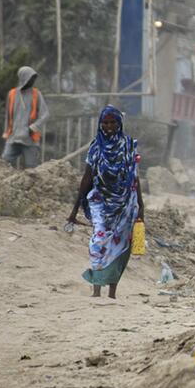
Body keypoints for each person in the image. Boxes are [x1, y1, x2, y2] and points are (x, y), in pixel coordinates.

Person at [68, 106, 142, 300]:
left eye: (113, 122)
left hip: (125, 203)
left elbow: (135, 177)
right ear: (101, 124)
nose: (109, 126)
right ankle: (96, 290)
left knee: (120, 245)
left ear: (119, 124)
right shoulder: (96, 147)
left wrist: (141, 207)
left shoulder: (128, 145)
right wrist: (74, 209)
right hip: (100, 201)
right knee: (99, 242)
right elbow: (87, 178)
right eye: (105, 123)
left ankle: (112, 292)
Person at [3, 66, 44, 169]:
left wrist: (34, 127)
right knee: (4, 161)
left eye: (34, 78)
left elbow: (45, 114)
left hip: (30, 138)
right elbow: (8, 115)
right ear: (24, 78)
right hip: (14, 137)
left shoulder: (36, 94)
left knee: (31, 167)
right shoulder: (12, 94)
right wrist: (6, 131)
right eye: (31, 78)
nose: (33, 81)